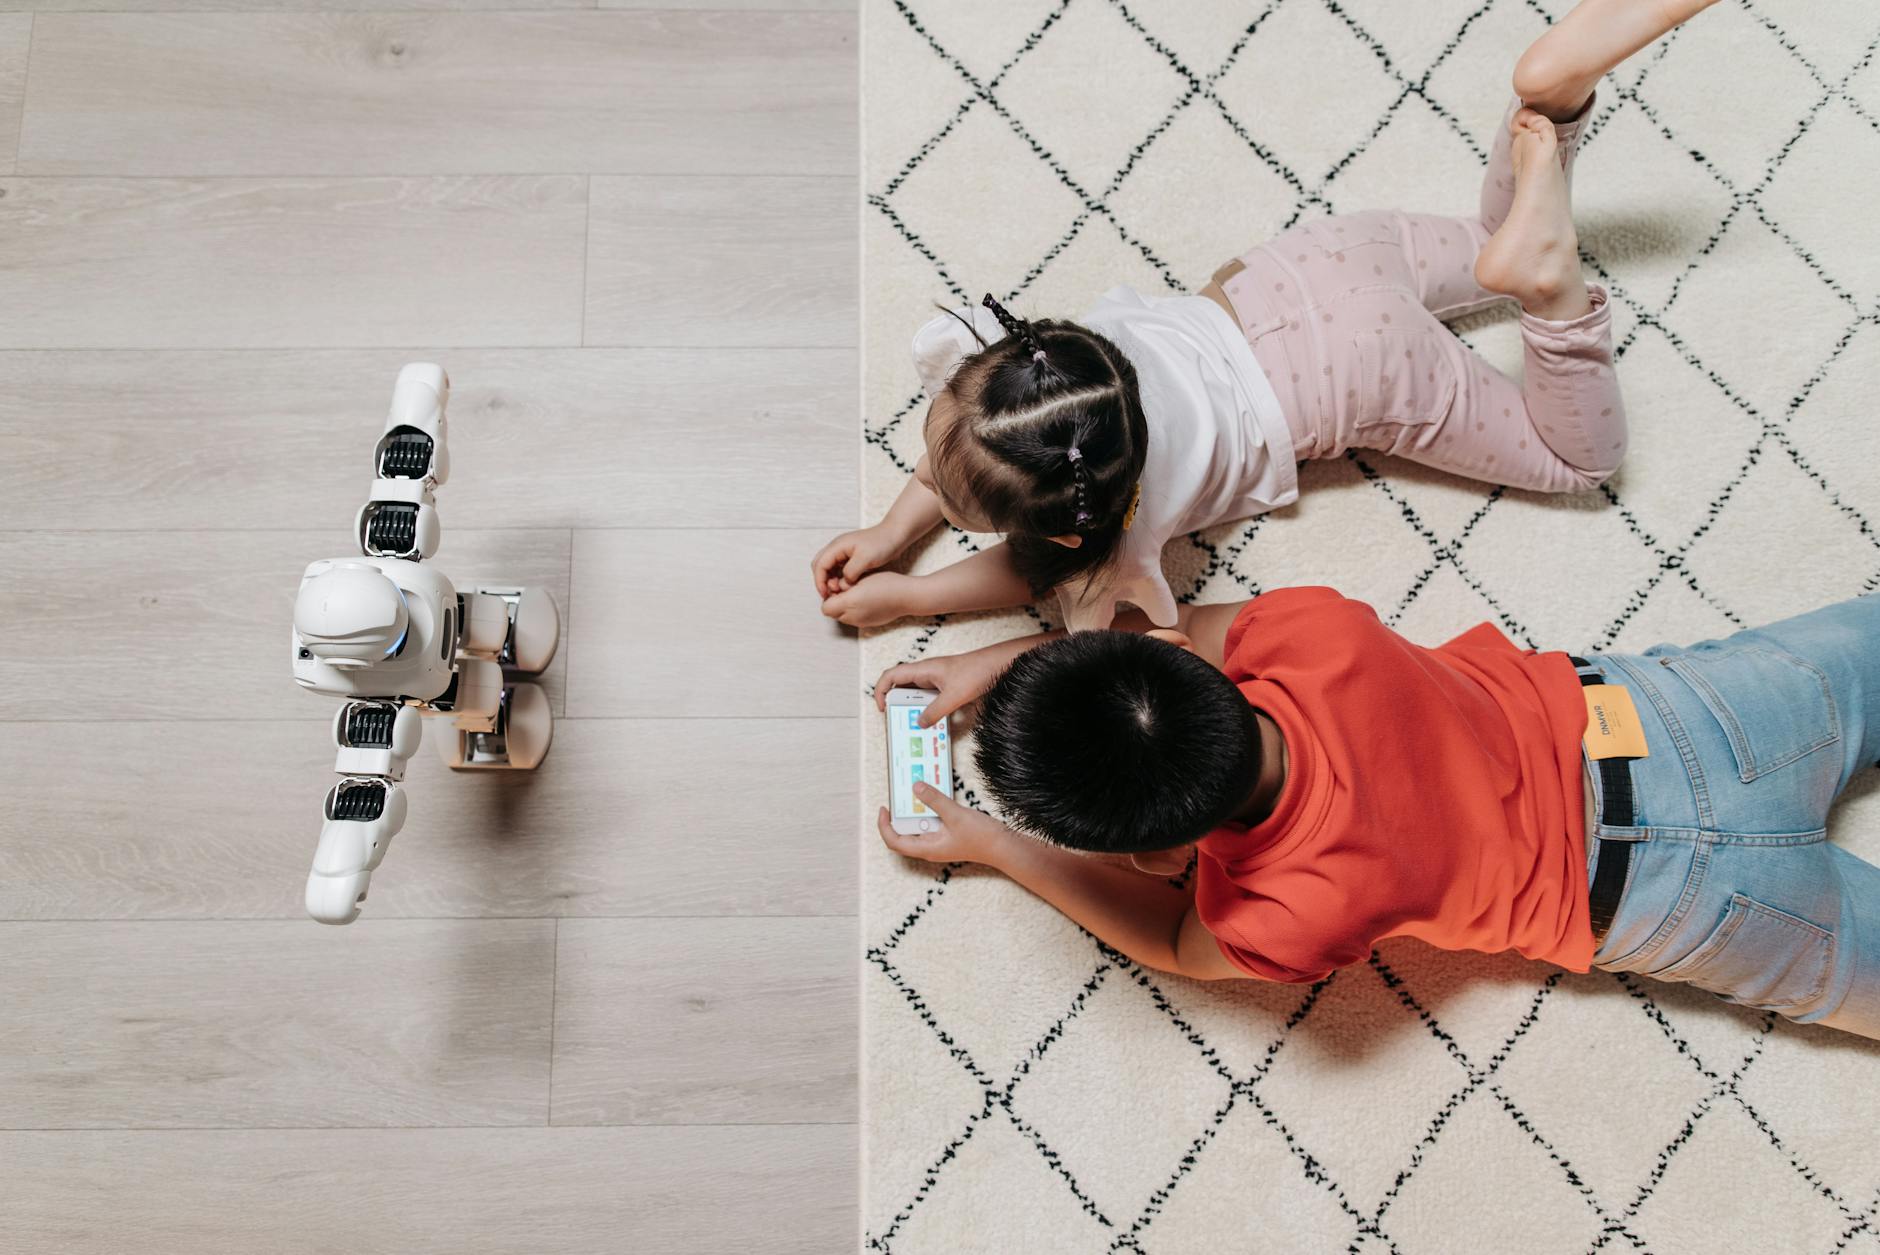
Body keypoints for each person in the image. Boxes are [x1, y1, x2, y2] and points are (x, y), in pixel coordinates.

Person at [814, 0, 1721, 633]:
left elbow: (1021, 573)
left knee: (1577, 459)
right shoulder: (1032, 370)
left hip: (1357, 375)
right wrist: (896, 533)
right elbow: (977, 444)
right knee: (1490, 232)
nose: (928, 475)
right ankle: (1553, 96)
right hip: (1298, 269)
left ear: (1062, 533)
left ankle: (1553, 292)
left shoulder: (1107, 540)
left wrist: (909, 596)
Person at [872, 588, 1880, 1039]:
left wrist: (1000, 847)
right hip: (1663, 726)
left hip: (1677, 902)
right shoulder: (1313, 630)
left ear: (1157, 852)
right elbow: (1175, 638)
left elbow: (1174, 941)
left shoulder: (1278, 915)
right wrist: (994, 663)